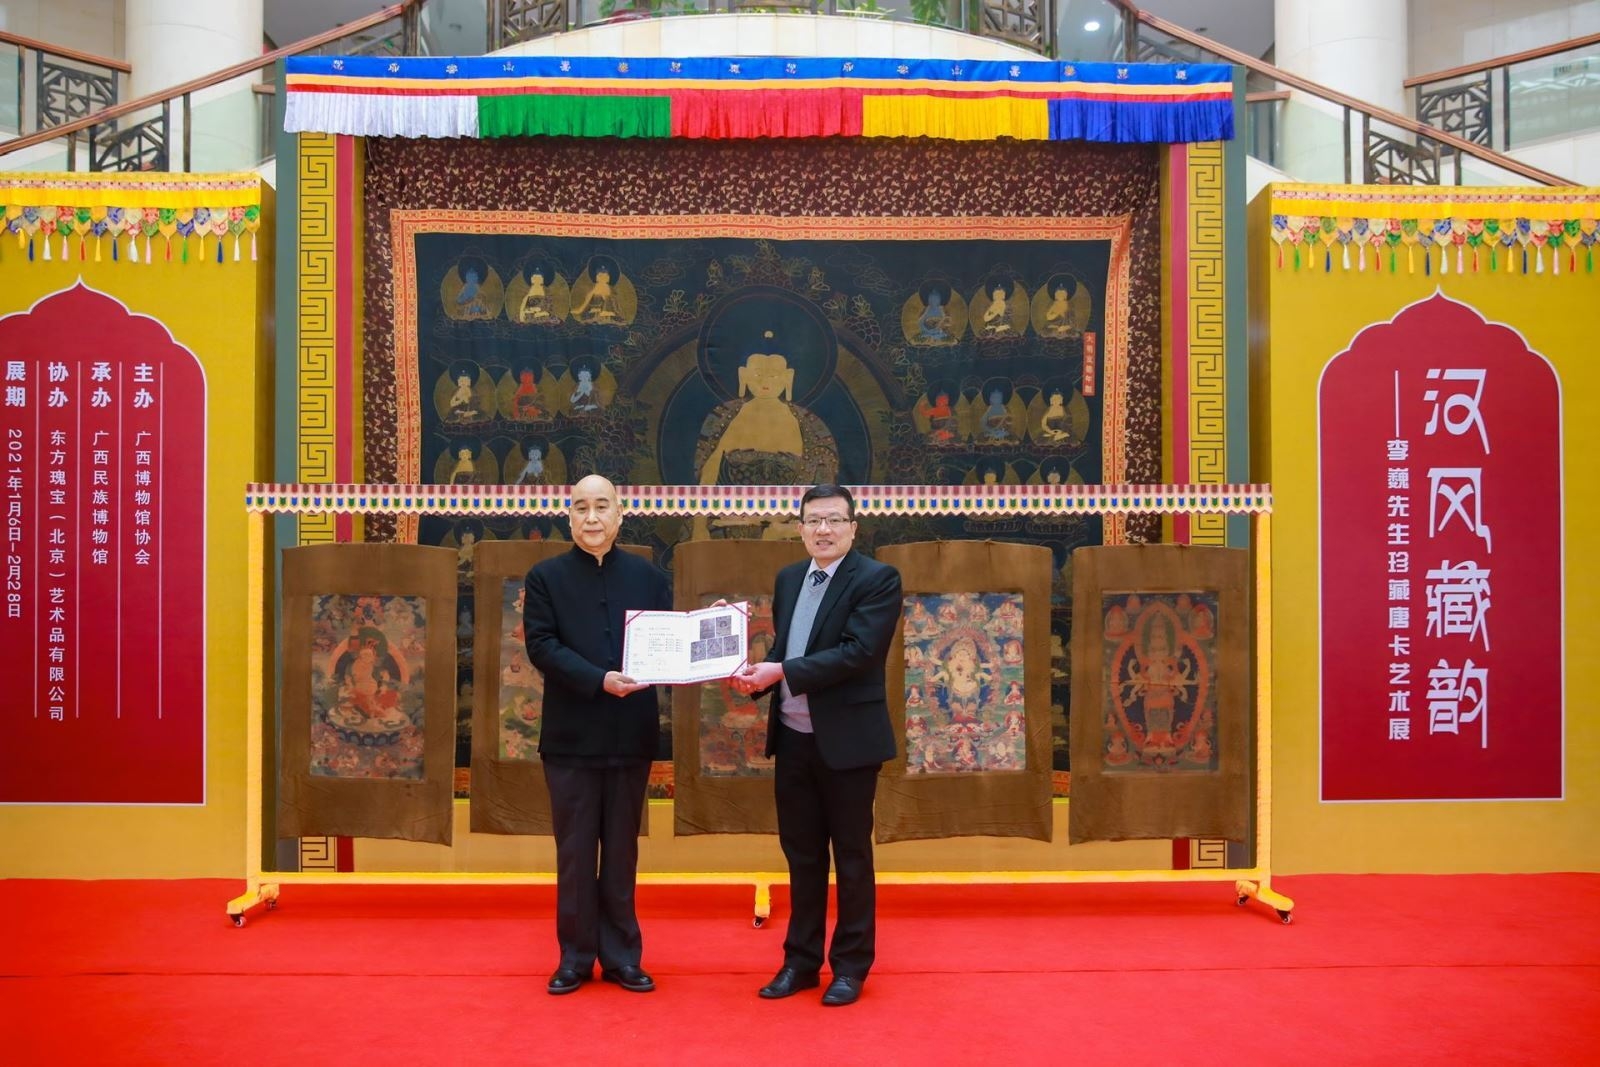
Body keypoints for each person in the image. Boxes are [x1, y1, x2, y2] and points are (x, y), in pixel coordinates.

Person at [733, 484, 900, 1007]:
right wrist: (757, 677)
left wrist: (781, 670)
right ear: (800, 527)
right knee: (802, 857)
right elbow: (787, 650)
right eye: (813, 520)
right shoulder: (789, 579)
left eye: (834, 520)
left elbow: (859, 653)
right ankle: (800, 963)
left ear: (853, 527)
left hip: (848, 742)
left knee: (851, 857)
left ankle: (850, 966)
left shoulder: (877, 579)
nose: (823, 530)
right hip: (794, 739)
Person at [522, 474, 671, 996]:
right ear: (569, 517)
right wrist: (598, 680)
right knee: (576, 853)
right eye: (581, 507)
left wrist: (711, 632)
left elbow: (670, 642)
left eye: (601, 506)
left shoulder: (649, 578)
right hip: (571, 737)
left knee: (623, 852)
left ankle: (623, 957)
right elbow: (541, 646)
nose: (591, 517)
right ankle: (575, 957)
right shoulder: (546, 577)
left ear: (619, 514)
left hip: (632, 735)